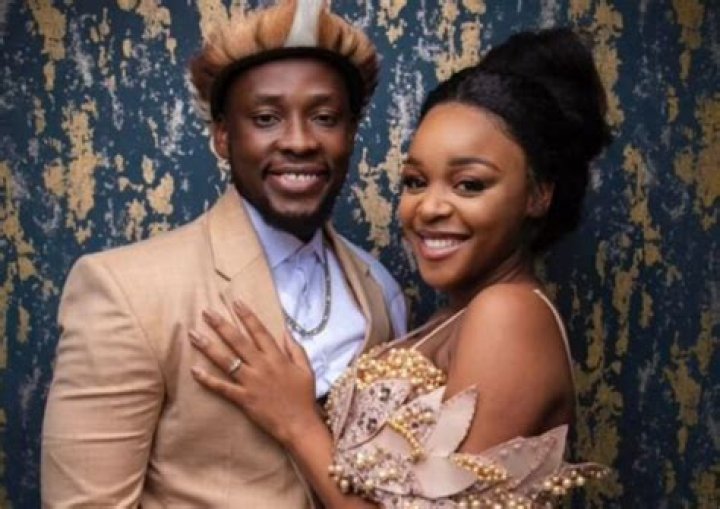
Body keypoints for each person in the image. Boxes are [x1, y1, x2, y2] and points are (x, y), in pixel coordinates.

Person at [189, 26, 613, 508]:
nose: (429, 207)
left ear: (538, 194)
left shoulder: (509, 314)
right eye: (415, 181)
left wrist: (297, 421)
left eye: (469, 184)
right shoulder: (453, 316)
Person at [41, 1, 406, 507]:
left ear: (350, 134)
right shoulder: (124, 289)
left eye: (325, 117)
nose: (300, 141)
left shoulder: (380, 292)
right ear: (223, 136)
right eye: (266, 118)